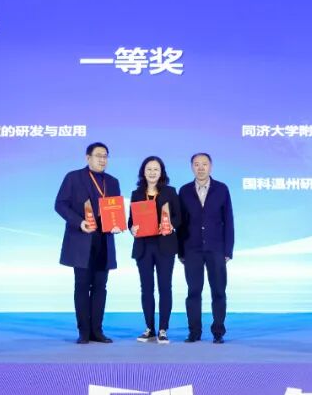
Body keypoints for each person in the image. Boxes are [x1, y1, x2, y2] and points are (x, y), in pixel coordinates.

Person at [54, 142, 123, 344]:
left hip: (104, 240)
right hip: (81, 239)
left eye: (105, 156)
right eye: (98, 155)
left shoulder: (113, 182)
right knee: (82, 286)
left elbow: (115, 209)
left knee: (101, 286)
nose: (102, 159)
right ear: (88, 158)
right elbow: (60, 204)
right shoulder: (73, 177)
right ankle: (84, 332)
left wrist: (117, 224)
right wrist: (79, 222)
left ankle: (97, 331)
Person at [177, 152, 234, 344]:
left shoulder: (221, 189)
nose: (200, 168)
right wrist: (180, 250)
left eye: (204, 164)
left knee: (218, 291)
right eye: (196, 164)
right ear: (191, 167)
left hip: (216, 248)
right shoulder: (184, 191)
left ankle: (218, 332)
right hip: (191, 248)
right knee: (193, 292)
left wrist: (228, 250)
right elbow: (181, 223)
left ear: (211, 166)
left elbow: (228, 220)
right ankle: (194, 332)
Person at [128, 156, 182, 345]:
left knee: (165, 287)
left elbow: (179, 217)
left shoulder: (170, 192)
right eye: (149, 169)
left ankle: (163, 329)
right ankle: (149, 328)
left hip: (165, 246)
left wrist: (170, 225)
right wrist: (132, 228)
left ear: (161, 173)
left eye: (156, 169)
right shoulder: (136, 194)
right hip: (143, 247)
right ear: (143, 172)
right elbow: (131, 220)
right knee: (146, 289)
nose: (152, 172)